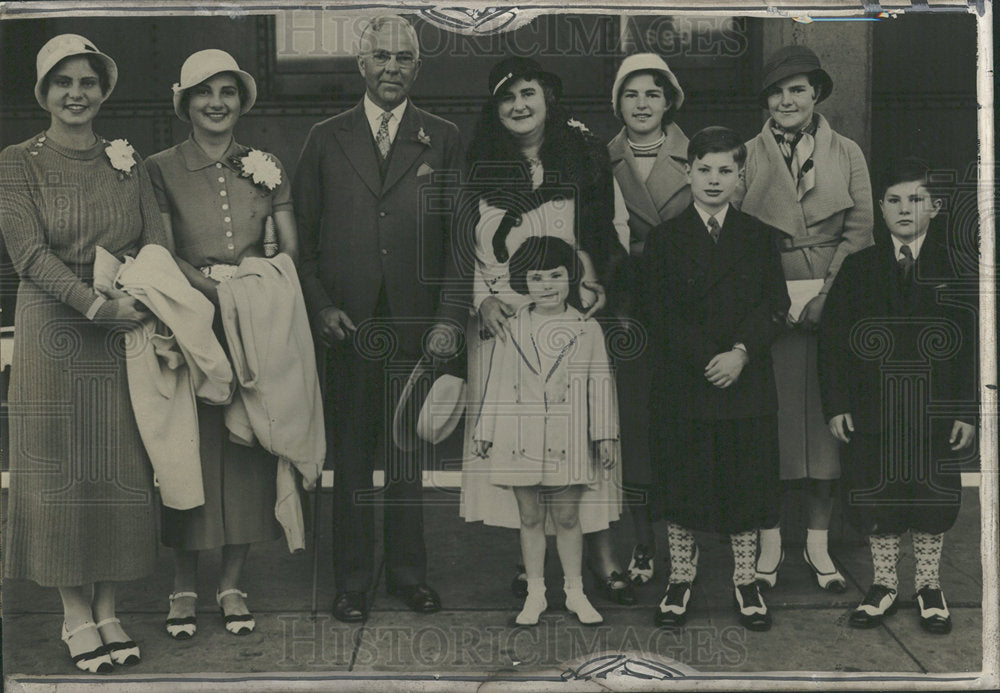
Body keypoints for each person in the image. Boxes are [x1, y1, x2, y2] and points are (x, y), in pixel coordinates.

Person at [0, 34, 168, 672]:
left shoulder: (128, 161)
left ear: (104, 90)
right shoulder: (16, 161)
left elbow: (156, 238)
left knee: (117, 467)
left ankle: (109, 606)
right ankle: (74, 611)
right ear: (43, 92)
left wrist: (137, 298)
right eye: (63, 82)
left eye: (88, 82)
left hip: (121, 328)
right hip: (53, 329)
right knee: (60, 472)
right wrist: (95, 306)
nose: (76, 94)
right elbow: (29, 255)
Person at [292, 14, 466, 623]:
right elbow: (302, 246)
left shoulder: (441, 137)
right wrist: (322, 307)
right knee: (353, 456)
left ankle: (409, 576)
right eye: (382, 57)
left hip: (418, 329)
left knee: (408, 461)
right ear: (361, 65)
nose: (393, 67)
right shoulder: (325, 137)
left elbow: (459, 241)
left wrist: (449, 315)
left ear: (418, 68)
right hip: (349, 330)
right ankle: (352, 582)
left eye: (404, 58)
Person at [457, 55, 632, 605]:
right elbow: (463, 241)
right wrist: (483, 300)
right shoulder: (480, 162)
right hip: (505, 323)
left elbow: (609, 225)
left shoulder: (581, 155)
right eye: (507, 98)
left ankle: (599, 554)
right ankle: (528, 561)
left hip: (568, 314)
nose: (519, 106)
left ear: (546, 98)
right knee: (517, 437)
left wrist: (596, 282)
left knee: (580, 435)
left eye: (527, 93)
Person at [145, 49, 298, 639]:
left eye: (227, 92)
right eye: (204, 92)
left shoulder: (266, 164)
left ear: (242, 101)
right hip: (191, 323)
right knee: (190, 452)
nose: (216, 103)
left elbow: (286, 249)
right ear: (184, 101)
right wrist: (210, 290)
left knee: (248, 451)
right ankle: (183, 584)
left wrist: (257, 282)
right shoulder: (158, 167)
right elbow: (159, 250)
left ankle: (232, 582)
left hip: (256, 321)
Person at [818, 157, 976, 634]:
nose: (904, 210)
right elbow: (834, 339)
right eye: (893, 200)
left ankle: (929, 586)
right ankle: (884, 584)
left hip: (935, 410)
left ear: (935, 206)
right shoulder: (859, 267)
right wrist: (837, 403)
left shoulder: (957, 265)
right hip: (873, 410)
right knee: (877, 498)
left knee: (932, 499)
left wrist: (968, 409)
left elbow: (975, 342)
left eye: (915, 200)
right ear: (880, 209)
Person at [643, 126, 789, 632]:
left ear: (740, 176)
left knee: (746, 483)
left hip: (744, 381)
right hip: (686, 382)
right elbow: (655, 313)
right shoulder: (664, 240)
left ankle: (745, 581)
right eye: (703, 168)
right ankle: (680, 578)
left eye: (725, 170)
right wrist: (709, 357)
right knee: (683, 483)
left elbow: (777, 304)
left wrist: (741, 353)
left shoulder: (759, 235)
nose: (713, 179)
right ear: (687, 171)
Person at [739, 45, 874, 591]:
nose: (787, 99)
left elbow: (861, 230)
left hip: (830, 298)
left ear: (817, 92)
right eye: (777, 90)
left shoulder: (847, 152)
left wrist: (828, 297)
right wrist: (773, 304)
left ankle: (819, 547)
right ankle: (770, 544)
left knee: (823, 431)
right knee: (772, 427)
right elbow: (742, 241)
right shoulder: (746, 154)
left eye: (798, 88)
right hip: (768, 297)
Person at [473, 236, 617, 626]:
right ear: (522, 281)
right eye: (536, 277)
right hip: (520, 437)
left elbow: (599, 385)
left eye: (556, 275)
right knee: (530, 517)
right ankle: (535, 593)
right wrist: (486, 429)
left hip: (569, 438)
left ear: (571, 276)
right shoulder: (512, 327)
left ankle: (575, 592)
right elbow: (498, 382)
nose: (547, 285)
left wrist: (605, 435)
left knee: (569, 519)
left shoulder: (587, 330)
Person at [605, 52, 692, 587]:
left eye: (652, 94)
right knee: (635, 428)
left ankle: (687, 544)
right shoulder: (599, 156)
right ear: (618, 102)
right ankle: (644, 540)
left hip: (689, 307)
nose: (642, 104)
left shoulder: (698, 153)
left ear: (669, 101)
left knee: (682, 427)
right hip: (629, 310)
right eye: (631, 94)